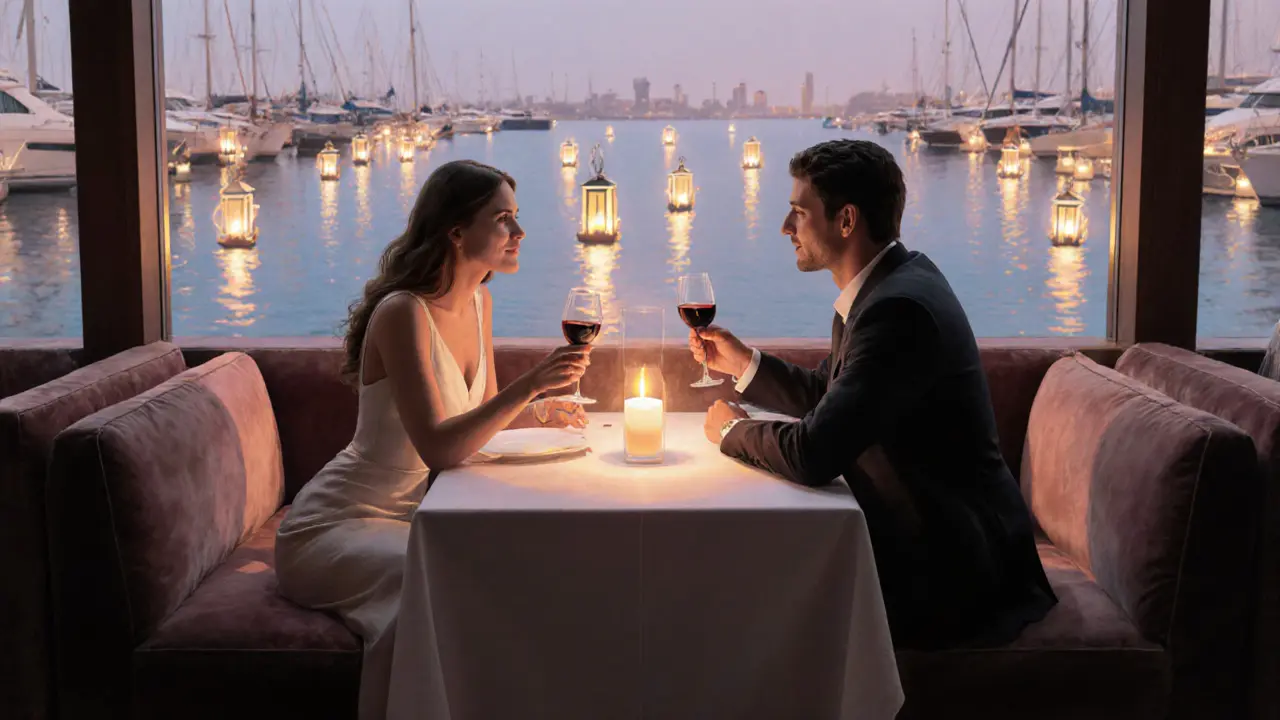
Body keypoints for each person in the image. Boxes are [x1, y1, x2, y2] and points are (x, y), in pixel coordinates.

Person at [690, 139, 1056, 649]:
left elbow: (814, 453)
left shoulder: (897, 311)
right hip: (933, 547)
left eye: (798, 212)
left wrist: (732, 430)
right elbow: (834, 394)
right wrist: (743, 363)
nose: (785, 228)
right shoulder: (892, 284)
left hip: (956, 577)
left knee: (744, 599)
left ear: (846, 221)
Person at [275, 160, 591, 717]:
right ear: (455, 231)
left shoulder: (478, 302)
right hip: (337, 524)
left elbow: (476, 418)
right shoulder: (403, 313)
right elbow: (440, 447)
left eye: (516, 219)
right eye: (503, 220)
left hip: (417, 518)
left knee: (518, 571)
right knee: (440, 581)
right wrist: (532, 382)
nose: (519, 234)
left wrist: (540, 410)